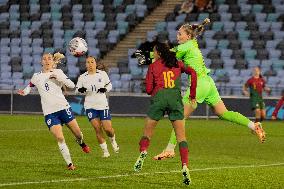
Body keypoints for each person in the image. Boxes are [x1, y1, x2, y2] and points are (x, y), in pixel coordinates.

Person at [151, 18, 266, 160]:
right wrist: (194, 29)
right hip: (208, 83)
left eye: (180, 34)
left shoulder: (185, 47)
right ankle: (254, 126)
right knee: (223, 113)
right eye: (177, 33)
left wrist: (148, 57)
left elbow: (165, 57)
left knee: (179, 116)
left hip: (198, 83)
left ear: (188, 36)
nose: (177, 36)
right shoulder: (193, 43)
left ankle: (169, 149)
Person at [133, 41, 197, 185]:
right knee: (181, 137)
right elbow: (193, 72)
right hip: (175, 99)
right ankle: (185, 166)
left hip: (159, 99)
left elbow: (149, 89)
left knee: (147, 133)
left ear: (159, 53)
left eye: (154, 51)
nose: (153, 53)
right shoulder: (177, 63)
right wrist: (192, 94)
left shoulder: (153, 66)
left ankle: (143, 152)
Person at [18, 53, 90, 170]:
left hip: (64, 108)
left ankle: (81, 143)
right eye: (44, 59)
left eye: (49, 58)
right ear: (41, 62)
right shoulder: (36, 76)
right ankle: (70, 163)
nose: (47, 60)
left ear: (52, 61)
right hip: (50, 113)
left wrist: (58, 77)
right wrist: (24, 92)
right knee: (60, 138)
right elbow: (29, 86)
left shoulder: (58, 73)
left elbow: (72, 85)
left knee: (78, 134)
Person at [76, 56, 119, 158]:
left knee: (108, 129)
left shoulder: (102, 74)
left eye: (92, 62)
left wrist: (105, 89)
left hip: (102, 105)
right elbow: (76, 89)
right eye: (88, 62)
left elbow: (109, 85)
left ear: (95, 63)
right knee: (97, 128)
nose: (90, 64)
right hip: (90, 106)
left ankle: (113, 141)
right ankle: (105, 151)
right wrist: (80, 90)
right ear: (85, 65)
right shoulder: (82, 77)